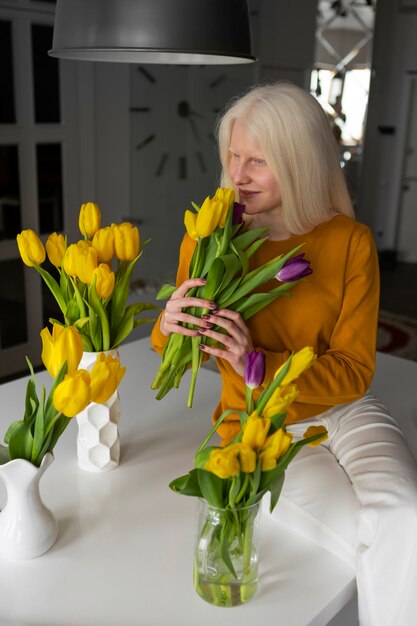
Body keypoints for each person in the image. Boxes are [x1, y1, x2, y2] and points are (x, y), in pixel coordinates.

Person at [150, 82, 417, 626]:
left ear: (299, 163)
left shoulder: (349, 242)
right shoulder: (209, 236)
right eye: (233, 155)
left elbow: (354, 371)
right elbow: (186, 350)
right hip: (257, 423)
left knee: (406, 514)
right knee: (361, 534)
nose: (238, 174)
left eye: (258, 161)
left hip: (344, 409)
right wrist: (168, 325)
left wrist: (257, 360)